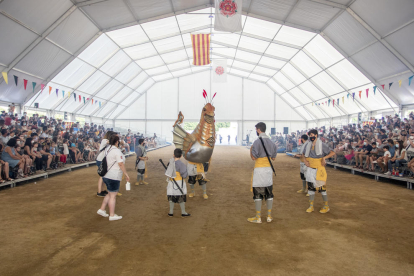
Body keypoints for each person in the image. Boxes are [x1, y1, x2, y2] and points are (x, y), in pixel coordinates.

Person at [248, 122, 277, 224]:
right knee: (269, 192)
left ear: (258, 129)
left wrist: (251, 150)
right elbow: (273, 158)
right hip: (268, 170)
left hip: (259, 169)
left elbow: (253, 157)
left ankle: (258, 217)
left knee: (258, 193)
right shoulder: (272, 142)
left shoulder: (256, 142)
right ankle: (269, 216)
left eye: (256, 129)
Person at [302, 129, 335, 214]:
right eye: (310, 135)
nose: (311, 136)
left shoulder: (322, 145)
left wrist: (324, 158)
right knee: (311, 188)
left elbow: (332, 152)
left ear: (316, 135)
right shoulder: (308, 145)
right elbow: (303, 154)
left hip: (319, 169)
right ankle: (311, 206)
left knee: (322, 188)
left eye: (312, 135)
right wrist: (305, 161)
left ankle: (326, 206)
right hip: (310, 169)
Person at [97, 135, 129, 221]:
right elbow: (121, 164)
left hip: (106, 175)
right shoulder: (117, 151)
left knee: (109, 193)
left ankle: (102, 209)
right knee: (113, 196)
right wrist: (126, 174)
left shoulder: (108, 149)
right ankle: (112, 215)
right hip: (114, 176)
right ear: (117, 142)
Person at [165, 148, 190, 217]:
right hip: (179, 182)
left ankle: (171, 212)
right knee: (181, 196)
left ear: (173, 155)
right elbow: (184, 175)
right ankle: (183, 212)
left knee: (171, 195)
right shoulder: (181, 164)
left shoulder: (170, 163)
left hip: (171, 182)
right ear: (181, 156)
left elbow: (167, 173)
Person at [96, 131, 114, 197]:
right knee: (102, 176)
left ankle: (102, 190)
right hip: (101, 160)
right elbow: (110, 142)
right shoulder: (105, 140)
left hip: (103, 159)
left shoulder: (106, 141)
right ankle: (99, 192)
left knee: (103, 176)